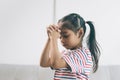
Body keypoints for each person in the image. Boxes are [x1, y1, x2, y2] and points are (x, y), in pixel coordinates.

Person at [40, 13, 101, 80]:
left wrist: (54, 39)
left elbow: (55, 63)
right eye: (60, 37)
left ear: (80, 33)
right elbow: (44, 63)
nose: (62, 40)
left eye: (65, 36)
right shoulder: (64, 53)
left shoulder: (83, 54)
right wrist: (50, 38)